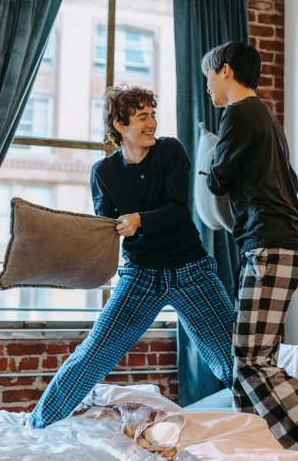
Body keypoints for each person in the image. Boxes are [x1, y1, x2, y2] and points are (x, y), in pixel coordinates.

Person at [29, 86, 235, 428]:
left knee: (232, 359)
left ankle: (274, 423)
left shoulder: (171, 151)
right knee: (92, 355)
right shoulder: (103, 172)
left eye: (153, 115)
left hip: (192, 270)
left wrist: (140, 219)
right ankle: (38, 425)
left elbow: (178, 211)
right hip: (140, 276)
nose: (152, 122)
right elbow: (105, 226)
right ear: (120, 124)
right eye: (142, 117)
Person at [202, 41, 298, 452]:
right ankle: (254, 443)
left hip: (270, 245)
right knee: (244, 357)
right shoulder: (266, 117)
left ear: (225, 71)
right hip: (274, 245)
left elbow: (217, 180)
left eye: (208, 76)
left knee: (252, 360)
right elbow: (292, 182)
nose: (208, 86)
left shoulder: (239, 113)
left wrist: (207, 157)